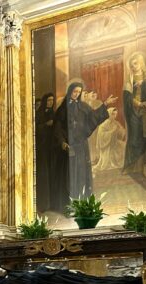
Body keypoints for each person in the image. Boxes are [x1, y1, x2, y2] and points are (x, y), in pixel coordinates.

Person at [52, 82, 117, 212]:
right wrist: (62, 142)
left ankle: (82, 203)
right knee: (70, 175)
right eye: (74, 91)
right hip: (68, 147)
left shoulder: (83, 106)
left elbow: (94, 116)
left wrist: (105, 104)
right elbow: (57, 128)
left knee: (82, 174)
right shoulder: (62, 109)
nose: (76, 94)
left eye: (78, 92)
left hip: (81, 146)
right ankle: (70, 206)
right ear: (70, 91)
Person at [123, 52, 146, 174]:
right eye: (131, 65)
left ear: (141, 63)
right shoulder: (129, 79)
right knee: (135, 138)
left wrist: (144, 83)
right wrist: (139, 104)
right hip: (135, 111)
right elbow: (128, 98)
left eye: (135, 63)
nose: (133, 66)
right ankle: (133, 167)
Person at [0, 263, 142, 284]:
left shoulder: (12, 274)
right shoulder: (9, 283)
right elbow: (32, 281)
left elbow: (32, 274)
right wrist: (47, 270)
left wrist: (57, 270)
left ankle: (132, 281)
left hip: (55, 276)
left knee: (94, 279)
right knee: (92, 283)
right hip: (53, 282)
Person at [34, 92, 56, 213]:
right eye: (48, 100)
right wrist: (46, 125)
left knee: (52, 175)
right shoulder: (38, 114)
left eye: (52, 100)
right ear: (44, 101)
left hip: (51, 149)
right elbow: (34, 129)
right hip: (42, 149)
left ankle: (52, 204)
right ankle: (43, 204)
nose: (51, 102)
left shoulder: (53, 113)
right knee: (43, 176)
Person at [93, 107, 127, 172]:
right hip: (107, 146)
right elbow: (101, 136)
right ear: (109, 114)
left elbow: (121, 132)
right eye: (113, 114)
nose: (114, 116)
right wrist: (112, 131)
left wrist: (122, 131)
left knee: (124, 145)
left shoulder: (116, 123)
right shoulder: (104, 124)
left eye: (115, 114)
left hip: (114, 143)